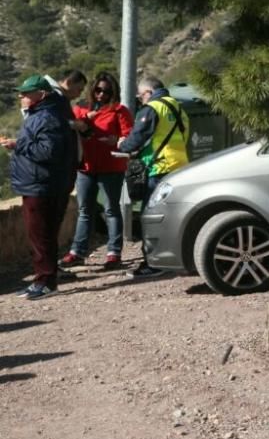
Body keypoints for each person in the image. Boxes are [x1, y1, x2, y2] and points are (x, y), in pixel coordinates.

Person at [1, 75, 76, 300]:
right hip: (42, 183)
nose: (21, 97)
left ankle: (45, 281)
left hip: (41, 185)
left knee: (41, 235)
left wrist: (19, 145)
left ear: (41, 94)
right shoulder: (46, 113)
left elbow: (48, 152)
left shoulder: (47, 117)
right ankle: (42, 278)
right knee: (43, 235)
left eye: (26, 93)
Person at [116, 76, 189, 279]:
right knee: (172, 216)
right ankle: (175, 259)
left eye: (140, 96)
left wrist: (122, 145)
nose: (140, 100)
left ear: (148, 92)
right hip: (180, 166)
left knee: (151, 218)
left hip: (159, 168)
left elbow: (137, 136)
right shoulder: (178, 107)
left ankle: (153, 263)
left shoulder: (153, 108)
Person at [59, 72, 134, 271]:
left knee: (111, 210)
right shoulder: (84, 108)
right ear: (93, 90)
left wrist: (115, 141)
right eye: (98, 90)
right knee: (85, 210)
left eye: (106, 91)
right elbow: (72, 119)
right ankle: (78, 252)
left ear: (113, 92)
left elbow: (129, 137)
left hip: (111, 168)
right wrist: (86, 116)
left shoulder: (120, 111)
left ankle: (113, 253)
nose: (101, 94)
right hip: (86, 167)